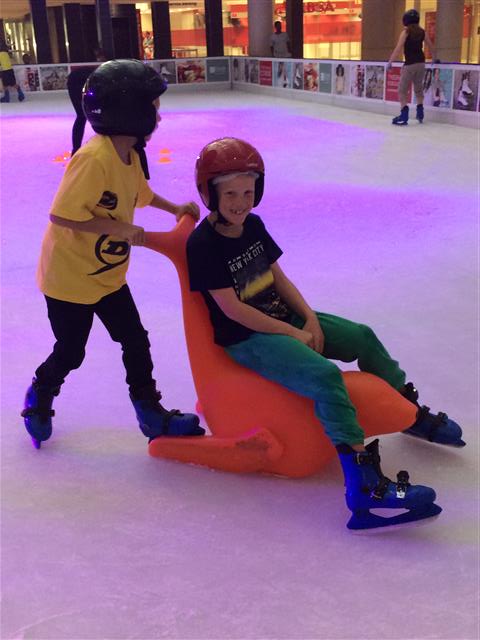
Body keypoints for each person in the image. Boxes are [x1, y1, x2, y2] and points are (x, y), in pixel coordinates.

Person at [186, 137, 465, 530]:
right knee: (325, 377)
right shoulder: (203, 244)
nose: (241, 202)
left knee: (362, 336)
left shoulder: (253, 226)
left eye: (248, 192)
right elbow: (233, 309)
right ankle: (364, 486)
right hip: (250, 339)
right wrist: (290, 332)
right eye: (230, 193)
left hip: (283, 318)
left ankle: (408, 410)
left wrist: (309, 319)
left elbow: (278, 278)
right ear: (210, 194)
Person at [21, 60, 205, 450]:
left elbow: (141, 194)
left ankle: (149, 410)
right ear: (131, 112)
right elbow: (62, 214)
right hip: (69, 280)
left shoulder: (130, 154)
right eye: (153, 107)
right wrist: (118, 228)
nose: (158, 116)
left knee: (135, 339)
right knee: (71, 352)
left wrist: (174, 209)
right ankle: (40, 391)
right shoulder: (93, 159)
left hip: (107, 276)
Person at [386, 9, 437, 125]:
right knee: (418, 89)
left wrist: (390, 62)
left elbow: (398, 48)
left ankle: (404, 114)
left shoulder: (406, 32)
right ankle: (420, 112)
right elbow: (431, 46)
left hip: (410, 65)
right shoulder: (422, 32)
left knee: (402, 90)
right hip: (421, 64)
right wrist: (434, 59)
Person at [66, 48, 107, 156]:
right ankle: (104, 145)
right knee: (89, 115)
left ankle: (76, 149)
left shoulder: (98, 67)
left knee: (82, 116)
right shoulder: (103, 69)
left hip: (75, 80)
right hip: (79, 81)